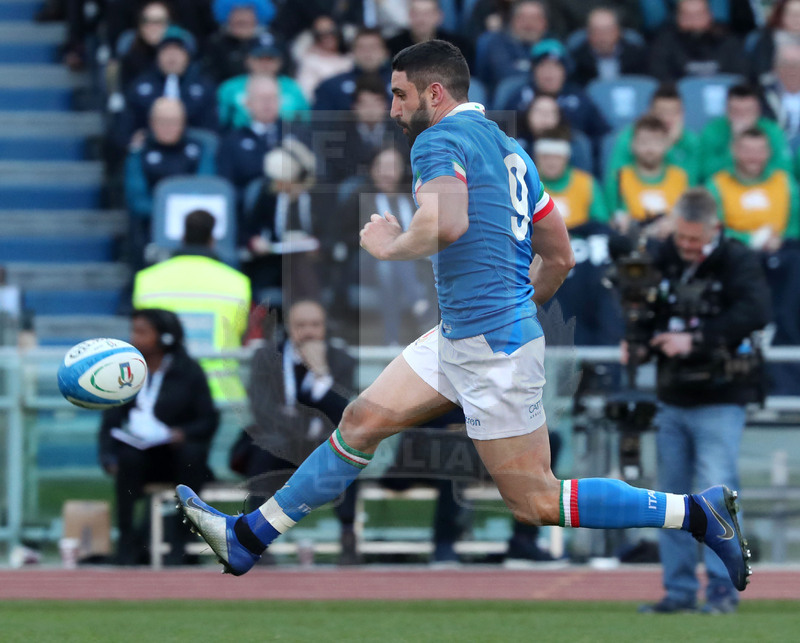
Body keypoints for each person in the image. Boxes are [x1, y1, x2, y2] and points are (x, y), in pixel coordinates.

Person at [176, 41, 753, 596]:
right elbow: (561, 256)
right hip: (464, 334)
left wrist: (390, 245)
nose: (395, 109)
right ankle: (248, 536)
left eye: (401, 96)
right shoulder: (511, 151)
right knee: (360, 422)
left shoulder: (438, 140)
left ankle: (697, 513)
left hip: (490, 345)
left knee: (537, 502)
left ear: (434, 93)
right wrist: (513, 311)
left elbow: (446, 224)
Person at [630, 188, 771, 613]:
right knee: (671, 501)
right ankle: (678, 592)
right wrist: (638, 342)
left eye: (695, 239)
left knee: (717, 497)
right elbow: (644, 308)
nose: (687, 247)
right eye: (682, 238)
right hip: (673, 397)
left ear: (715, 228)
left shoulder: (737, 259)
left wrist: (695, 340)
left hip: (721, 396)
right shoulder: (664, 255)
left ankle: (724, 592)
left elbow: (756, 311)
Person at [235, 299, 361, 564]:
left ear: (325, 328)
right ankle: (254, 539)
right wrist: (300, 431)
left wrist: (321, 376)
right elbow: (263, 410)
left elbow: (343, 415)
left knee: (347, 456)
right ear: (289, 328)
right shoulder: (266, 357)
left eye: (315, 325)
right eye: (301, 325)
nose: (308, 332)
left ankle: (348, 537)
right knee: (263, 450)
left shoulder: (341, 360)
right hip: (279, 442)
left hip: (322, 443)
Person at [99, 308, 218, 565]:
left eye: (142, 332)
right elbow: (111, 420)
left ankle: (181, 544)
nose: (135, 337)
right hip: (141, 454)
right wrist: (107, 455)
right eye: (133, 331)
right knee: (127, 458)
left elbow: (208, 419)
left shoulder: (189, 371)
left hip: (177, 456)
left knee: (191, 455)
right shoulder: (125, 371)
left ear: (165, 337)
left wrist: (181, 433)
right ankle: (127, 544)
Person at [132, 210, 252, 402]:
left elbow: (140, 336)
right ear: (212, 240)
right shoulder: (238, 283)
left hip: (161, 393)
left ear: (182, 238)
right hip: (220, 394)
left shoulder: (146, 280)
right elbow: (241, 334)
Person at [123, 97, 216, 268]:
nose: (168, 127)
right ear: (151, 123)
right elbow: (137, 200)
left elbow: (206, 187)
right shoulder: (139, 154)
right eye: (162, 121)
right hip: (152, 228)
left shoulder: (199, 150)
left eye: (174, 121)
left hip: (196, 229)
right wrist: (170, 215)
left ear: (184, 122)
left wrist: (188, 219)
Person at [706, 127, 800, 252]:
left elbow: (794, 228)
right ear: (734, 150)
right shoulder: (716, 185)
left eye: (760, 151)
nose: (753, 157)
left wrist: (780, 241)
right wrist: (751, 239)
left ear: (769, 152)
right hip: (734, 253)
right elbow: (713, 229)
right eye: (747, 150)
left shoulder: (785, 181)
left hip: (781, 252)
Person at [604, 115, 692, 234]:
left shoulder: (680, 177)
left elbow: (686, 219)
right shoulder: (619, 177)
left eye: (656, 142)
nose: (650, 148)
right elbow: (612, 220)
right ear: (632, 145)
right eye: (643, 142)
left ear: (667, 145)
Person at [607, 83, 701, 185]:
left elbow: (690, 184)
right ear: (650, 112)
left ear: (683, 114)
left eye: (674, 113)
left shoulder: (691, 141)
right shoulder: (630, 137)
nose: (668, 119)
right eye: (662, 112)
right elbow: (616, 181)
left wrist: (669, 146)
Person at [699, 83, 793, 181]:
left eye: (748, 111)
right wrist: (735, 142)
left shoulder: (773, 131)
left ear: (758, 111)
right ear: (726, 111)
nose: (742, 117)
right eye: (736, 111)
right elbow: (706, 173)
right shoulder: (712, 131)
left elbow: (785, 170)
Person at [217, 35, 307, 130]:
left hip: (288, 140)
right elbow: (220, 122)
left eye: (270, 59)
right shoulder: (230, 88)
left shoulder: (293, 88)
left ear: (280, 61)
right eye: (259, 58)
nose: (265, 64)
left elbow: (306, 122)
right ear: (248, 60)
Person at [647, 0, 746, 83]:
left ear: (710, 15)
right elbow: (659, 78)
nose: (693, 22)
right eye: (687, 16)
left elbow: (739, 78)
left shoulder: (728, 41)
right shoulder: (664, 42)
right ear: (677, 17)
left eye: (698, 15)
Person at [534, 126, 609, 229]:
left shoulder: (586, 183)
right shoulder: (529, 185)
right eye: (546, 157)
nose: (551, 162)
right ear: (537, 158)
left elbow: (601, 222)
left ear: (566, 158)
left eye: (557, 157)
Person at [313, 27, 392, 112]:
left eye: (373, 47)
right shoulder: (330, 87)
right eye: (361, 48)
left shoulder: (402, 83)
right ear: (352, 52)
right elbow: (320, 122)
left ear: (386, 52)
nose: (368, 52)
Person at [568, 6, 647, 87]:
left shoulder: (636, 56)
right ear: (588, 34)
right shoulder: (576, 60)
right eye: (597, 31)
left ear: (618, 32)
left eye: (608, 31)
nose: (603, 37)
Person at [747, 0, 800, 83]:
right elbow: (761, 72)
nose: (797, 19)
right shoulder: (767, 40)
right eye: (793, 15)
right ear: (781, 16)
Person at [761, 43, 800, 143]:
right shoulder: (761, 94)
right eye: (785, 64)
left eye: (797, 65)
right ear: (775, 68)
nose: (792, 70)